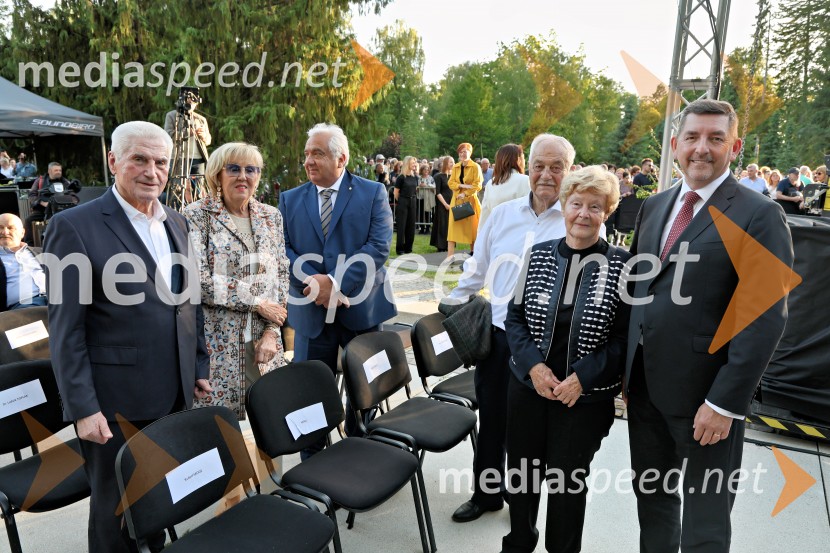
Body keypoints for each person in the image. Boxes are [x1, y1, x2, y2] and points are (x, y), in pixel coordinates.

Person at [625, 99, 793, 553]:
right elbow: (642, 293)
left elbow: (763, 319)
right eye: (693, 137)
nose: (702, 148)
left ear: (734, 147)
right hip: (644, 394)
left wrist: (724, 403)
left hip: (706, 401)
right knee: (653, 504)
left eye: (715, 139)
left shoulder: (759, 215)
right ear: (675, 145)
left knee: (706, 522)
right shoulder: (655, 207)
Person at [44, 121, 211, 553]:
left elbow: (188, 301)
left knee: (155, 498)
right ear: (114, 160)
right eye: (139, 159)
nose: (151, 171)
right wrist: (82, 408)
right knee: (115, 513)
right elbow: (66, 329)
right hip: (114, 405)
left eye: (160, 162)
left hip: (172, 393)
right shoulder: (73, 227)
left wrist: (197, 365)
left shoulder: (177, 222)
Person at [447, 133, 580, 524]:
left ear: (569, 171)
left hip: (550, 348)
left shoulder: (580, 219)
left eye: (556, 167)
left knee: (535, 432)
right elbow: (477, 268)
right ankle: (486, 495)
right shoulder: (503, 215)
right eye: (539, 165)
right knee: (492, 420)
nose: (546, 174)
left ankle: (522, 503)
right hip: (501, 338)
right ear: (528, 168)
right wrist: (451, 304)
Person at [502, 166, 630, 553]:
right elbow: (515, 319)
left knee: (566, 486)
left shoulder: (623, 266)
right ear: (564, 205)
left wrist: (582, 378)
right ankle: (519, 543)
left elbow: (626, 339)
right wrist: (534, 368)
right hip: (528, 390)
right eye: (577, 204)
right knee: (521, 479)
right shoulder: (538, 254)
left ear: (607, 212)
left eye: (595, 206)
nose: (584, 214)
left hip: (582, 401)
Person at [278, 122, 396, 458]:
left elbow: (378, 247)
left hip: (361, 310)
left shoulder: (372, 193)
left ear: (341, 158)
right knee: (309, 394)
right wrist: (315, 283)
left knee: (365, 391)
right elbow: (283, 248)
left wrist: (337, 282)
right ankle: (312, 463)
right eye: (306, 154)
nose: (308, 161)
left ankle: (360, 453)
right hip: (311, 312)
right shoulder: (289, 199)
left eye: (317, 153)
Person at [184, 142, 288, 420]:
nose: (243, 176)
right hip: (217, 348)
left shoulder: (271, 216)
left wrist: (271, 333)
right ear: (217, 174)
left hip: (263, 347)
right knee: (219, 436)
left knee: (271, 427)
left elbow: (280, 277)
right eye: (234, 169)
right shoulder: (197, 215)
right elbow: (200, 280)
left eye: (251, 169)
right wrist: (256, 302)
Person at [24, 161, 81, 243]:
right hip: (43, 210)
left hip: (61, 209)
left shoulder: (65, 182)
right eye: (56, 170)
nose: (58, 172)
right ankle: (30, 245)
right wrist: (40, 202)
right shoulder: (40, 181)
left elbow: (73, 196)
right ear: (49, 171)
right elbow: (32, 194)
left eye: (60, 170)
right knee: (29, 220)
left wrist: (69, 200)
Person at [0, 213, 47, 310]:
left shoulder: (40, 252)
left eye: (11, 228)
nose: (5, 232)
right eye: (0, 228)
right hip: (24, 308)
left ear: (22, 233)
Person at [478, 144, 530, 229]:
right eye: (523, 158)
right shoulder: (525, 181)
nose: (524, 161)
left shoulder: (491, 184)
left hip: (496, 235)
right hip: (519, 235)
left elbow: (484, 219)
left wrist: (480, 240)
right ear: (519, 159)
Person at [447, 142, 483, 259]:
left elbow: (477, 185)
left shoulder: (475, 167)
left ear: (470, 152)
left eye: (465, 151)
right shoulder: (456, 166)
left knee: (472, 228)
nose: (462, 154)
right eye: (460, 152)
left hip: (470, 201)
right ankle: (449, 256)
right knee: (452, 228)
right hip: (456, 200)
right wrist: (461, 186)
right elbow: (450, 183)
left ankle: (473, 252)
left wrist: (466, 193)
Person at [164, 98, 212, 176]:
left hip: (197, 159)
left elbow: (208, 140)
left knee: (198, 185)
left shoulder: (201, 119)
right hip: (177, 157)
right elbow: (167, 136)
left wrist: (203, 136)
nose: (190, 105)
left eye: (192, 103)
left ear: (196, 104)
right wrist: (187, 133)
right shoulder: (172, 116)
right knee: (177, 185)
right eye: (188, 102)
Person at [393, 156, 419, 254]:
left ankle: (408, 248)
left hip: (413, 201)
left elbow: (415, 189)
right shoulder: (401, 177)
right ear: (407, 164)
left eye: (415, 163)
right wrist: (402, 201)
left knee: (411, 225)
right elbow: (396, 193)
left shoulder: (415, 177)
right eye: (412, 163)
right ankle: (400, 248)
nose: (414, 164)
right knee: (402, 226)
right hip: (403, 201)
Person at [430, 156, 454, 252]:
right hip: (442, 203)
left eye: (453, 162)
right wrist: (445, 204)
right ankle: (441, 245)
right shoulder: (439, 176)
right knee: (442, 224)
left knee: (450, 224)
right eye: (450, 162)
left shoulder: (454, 176)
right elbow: (438, 192)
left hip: (452, 202)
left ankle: (449, 244)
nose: (452, 164)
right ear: (445, 164)